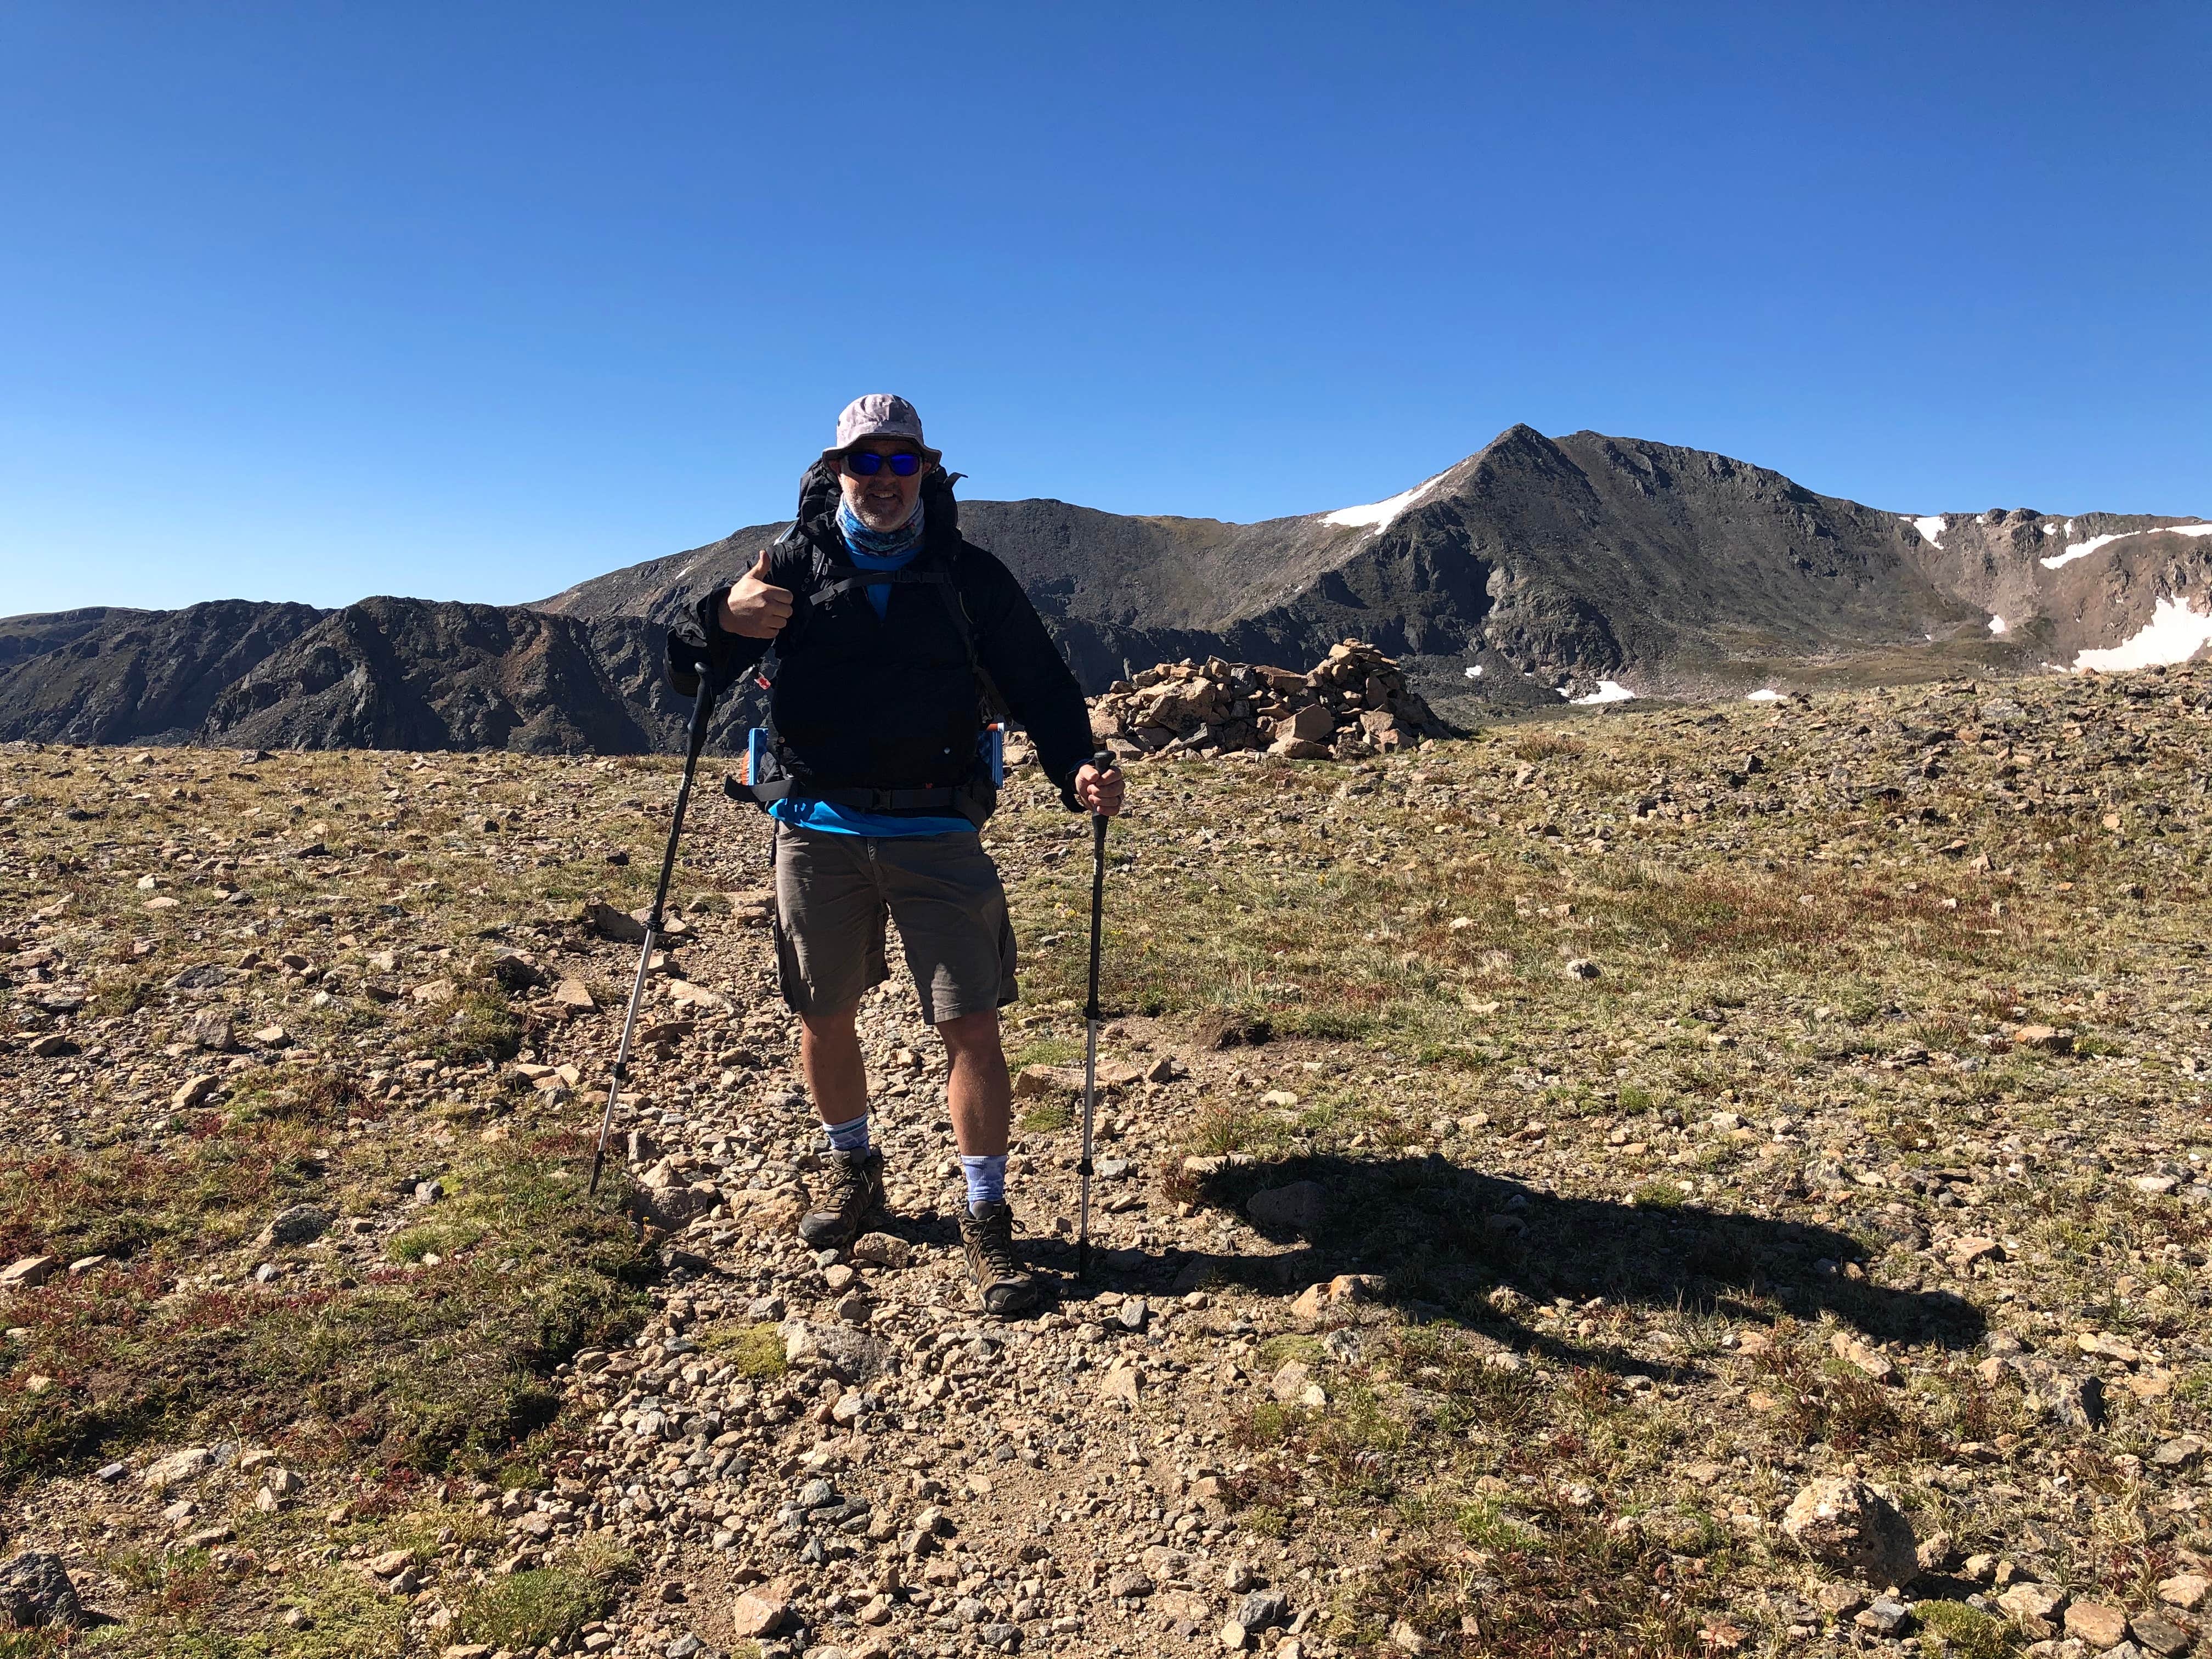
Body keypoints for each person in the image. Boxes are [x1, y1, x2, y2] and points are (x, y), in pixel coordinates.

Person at [697, 394, 1124, 1316]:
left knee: (970, 1024)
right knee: (823, 1010)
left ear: (927, 469)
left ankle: (986, 1218)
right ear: (837, 469)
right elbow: (693, 665)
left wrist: (1078, 766)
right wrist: (721, 615)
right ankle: (856, 1171)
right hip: (816, 825)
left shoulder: (972, 577)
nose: (884, 478)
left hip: (938, 826)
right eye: (867, 461)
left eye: (902, 461)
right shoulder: (788, 567)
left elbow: (1043, 688)